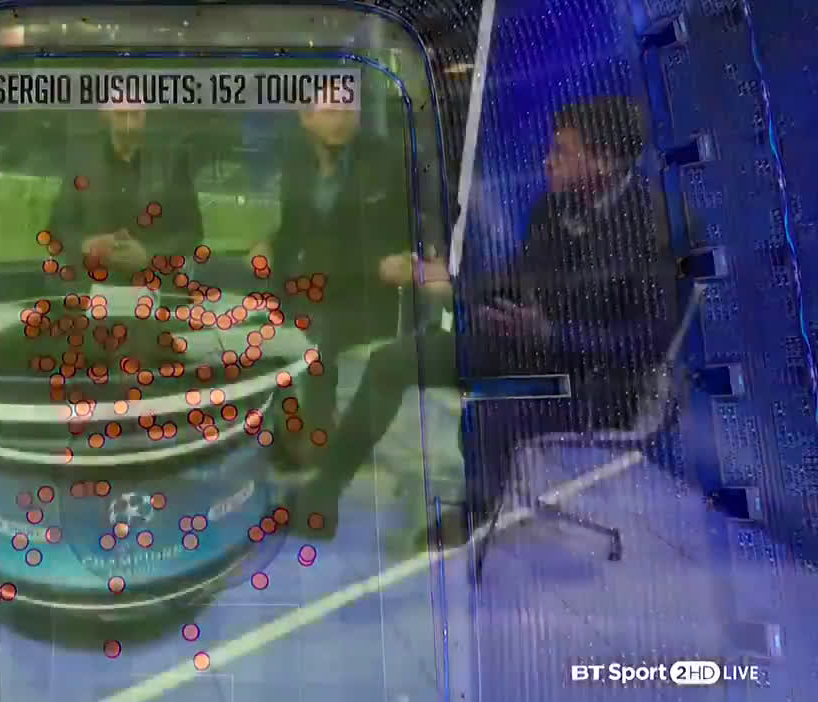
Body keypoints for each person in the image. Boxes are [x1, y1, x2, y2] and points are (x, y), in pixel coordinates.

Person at [293, 95, 678, 546]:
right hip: (533, 350)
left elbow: (646, 345)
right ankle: (322, 495)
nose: (548, 160)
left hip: (601, 384)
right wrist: (451, 284)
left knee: (488, 412)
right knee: (391, 362)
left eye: (562, 151)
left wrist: (551, 334)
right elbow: (516, 277)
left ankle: (472, 515)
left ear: (605, 161)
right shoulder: (555, 206)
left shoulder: (653, 226)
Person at [252, 95, 453, 539]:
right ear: (306, 118)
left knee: (316, 336)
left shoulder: (383, 162)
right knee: (265, 322)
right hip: (315, 286)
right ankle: (290, 437)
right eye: (331, 110)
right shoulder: (298, 164)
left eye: (349, 108)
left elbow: (417, 223)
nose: (343, 119)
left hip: (369, 297)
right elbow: (294, 230)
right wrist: (269, 244)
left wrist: (414, 258)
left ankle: (317, 454)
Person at [45, 103, 204, 281]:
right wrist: (86, 245)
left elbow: (191, 233)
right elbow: (57, 229)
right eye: (122, 113)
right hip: (91, 286)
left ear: (145, 112)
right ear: (106, 112)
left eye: (135, 114)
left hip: (152, 286)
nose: (129, 123)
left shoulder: (171, 163)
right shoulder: (82, 161)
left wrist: (148, 254)